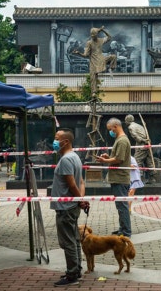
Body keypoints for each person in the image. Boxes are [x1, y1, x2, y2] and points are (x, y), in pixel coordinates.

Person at [50, 129, 86, 286]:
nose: (54, 141)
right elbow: (81, 182)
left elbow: (72, 184)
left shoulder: (65, 160)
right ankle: (77, 269)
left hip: (65, 207)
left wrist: (79, 199)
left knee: (69, 241)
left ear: (65, 142)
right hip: (72, 205)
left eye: (57, 139)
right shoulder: (75, 157)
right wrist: (80, 200)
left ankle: (72, 274)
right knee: (75, 239)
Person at [96, 117, 131, 237]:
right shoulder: (119, 139)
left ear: (115, 127)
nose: (110, 132)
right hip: (118, 177)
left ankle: (126, 231)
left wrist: (104, 161)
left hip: (120, 178)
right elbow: (116, 157)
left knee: (122, 206)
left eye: (110, 129)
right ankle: (123, 228)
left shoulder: (122, 140)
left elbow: (119, 159)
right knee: (120, 206)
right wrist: (107, 157)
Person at [72, 26, 117, 96]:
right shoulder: (93, 42)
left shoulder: (97, 41)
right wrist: (79, 53)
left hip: (99, 61)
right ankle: (94, 92)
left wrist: (103, 30)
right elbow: (86, 55)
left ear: (96, 35)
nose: (93, 37)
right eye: (93, 36)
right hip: (97, 62)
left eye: (94, 35)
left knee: (113, 57)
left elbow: (109, 37)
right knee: (93, 77)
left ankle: (111, 68)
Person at [125, 114, 156, 184]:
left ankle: (139, 178)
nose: (125, 122)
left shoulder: (131, 127)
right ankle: (152, 178)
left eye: (125, 121)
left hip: (141, 145)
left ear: (128, 120)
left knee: (137, 161)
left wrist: (142, 140)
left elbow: (135, 136)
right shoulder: (139, 125)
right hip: (147, 144)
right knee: (148, 161)